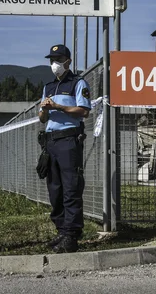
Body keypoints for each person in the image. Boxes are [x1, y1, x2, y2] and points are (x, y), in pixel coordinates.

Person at [39, 44, 91, 253]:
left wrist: (59, 107)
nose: (54, 64)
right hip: (51, 141)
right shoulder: (48, 87)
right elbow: (42, 118)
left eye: (58, 60)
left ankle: (71, 234)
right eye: (52, 60)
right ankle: (61, 229)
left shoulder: (78, 83)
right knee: (55, 189)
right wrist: (43, 109)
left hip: (69, 140)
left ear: (68, 61)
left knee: (71, 188)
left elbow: (84, 111)